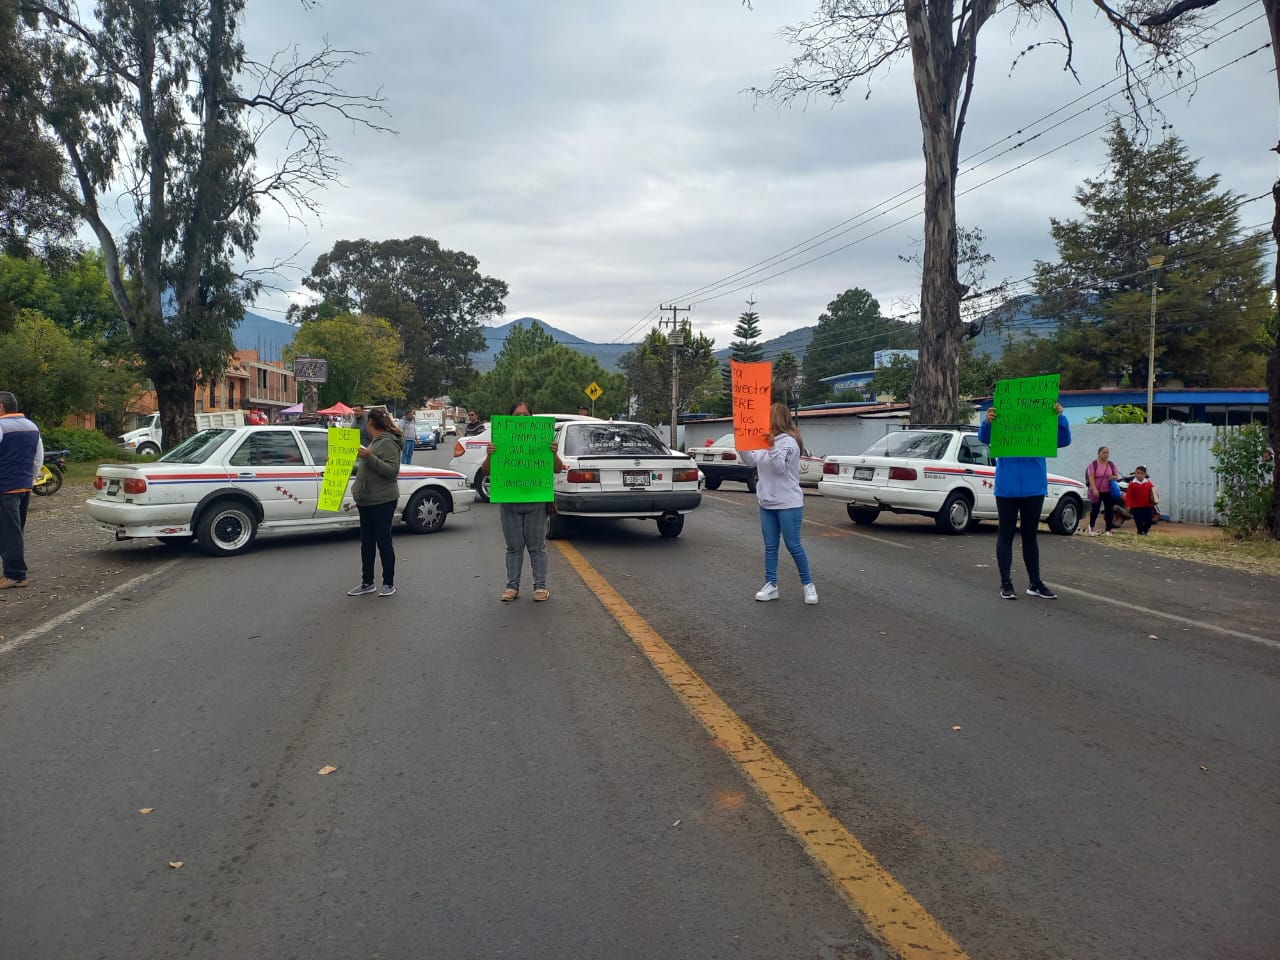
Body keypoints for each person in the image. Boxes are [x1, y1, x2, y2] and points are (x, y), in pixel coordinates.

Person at [978, 401, 1071, 600]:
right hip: (1007, 488)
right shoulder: (1002, 422)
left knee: (1030, 535)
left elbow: (1063, 440)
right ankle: (1006, 583)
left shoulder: (1040, 424)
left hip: (1034, 487)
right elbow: (984, 438)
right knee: (1006, 534)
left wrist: (1059, 417)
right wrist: (987, 422)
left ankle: (1035, 583)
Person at [738, 402, 817, 605]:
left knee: (793, 545)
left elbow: (780, 467)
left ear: (776, 419)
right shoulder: (765, 441)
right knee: (770, 546)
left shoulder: (789, 443)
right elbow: (751, 461)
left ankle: (808, 585)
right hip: (766, 503)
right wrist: (742, 445)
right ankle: (771, 585)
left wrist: (772, 446)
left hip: (788, 503)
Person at [484, 401, 563, 602]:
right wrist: (489, 455)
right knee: (513, 547)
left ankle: (540, 587)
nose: (521, 418)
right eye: (517, 415)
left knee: (537, 546)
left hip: (536, 500)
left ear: (531, 418)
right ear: (510, 418)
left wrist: (552, 453)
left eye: (525, 415)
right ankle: (512, 587)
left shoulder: (543, 440)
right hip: (510, 501)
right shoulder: (500, 440)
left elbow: (557, 468)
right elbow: (487, 471)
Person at [347, 408, 402, 598]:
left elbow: (391, 471)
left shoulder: (387, 442)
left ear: (370, 422)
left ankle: (388, 583)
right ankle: (367, 582)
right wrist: (341, 465)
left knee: (383, 541)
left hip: (382, 499)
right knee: (367, 543)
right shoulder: (374, 442)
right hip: (366, 499)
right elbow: (365, 468)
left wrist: (369, 457)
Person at [0, 391, 43, 590]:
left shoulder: (1, 426)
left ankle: (15, 575)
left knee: (10, 532)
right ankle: (13, 569)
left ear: (1, 407)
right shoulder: (31, 427)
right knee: (14, 530)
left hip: (4, 487)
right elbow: (38, 458)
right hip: (24, 486)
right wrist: (30, 479)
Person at [1085, 445, 1120, 536]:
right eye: (1103, 452)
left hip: (1108, 491)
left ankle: (1108, 529)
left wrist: (1113, 477)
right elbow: (1091, 478)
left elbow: (1116, 476)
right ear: (1099, 453)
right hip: (1096, 491)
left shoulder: (1111, 464)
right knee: (1095, 510)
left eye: (1107, 453)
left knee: (1109, 510)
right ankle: (1091, 527)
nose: (1106, 455)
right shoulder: (1093, 464)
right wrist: (1094, 489)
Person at [1124, 465, 1158, 535]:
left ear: (1145, 475)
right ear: (1135, 473)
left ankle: (1144, 531)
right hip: (1136, 507)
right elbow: (1129, 496)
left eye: (1141, 473)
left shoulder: (1148, 483)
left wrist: (1155, 500)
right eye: (1137, 473)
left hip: (1147, 506)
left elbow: (1154, 492)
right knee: (1139, 522)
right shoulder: (1132, 484)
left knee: (1148, 521)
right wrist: (1128, 505)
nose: (1139, 475)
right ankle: (1140, 533)